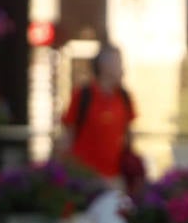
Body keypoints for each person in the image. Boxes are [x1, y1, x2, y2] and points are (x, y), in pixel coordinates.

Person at [58, 43, 136, 189]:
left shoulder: (124, 97)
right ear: (104, 66)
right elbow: (68, 135)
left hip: (114, 178)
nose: (122, 67)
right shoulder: (82, 95)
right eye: (118, 62)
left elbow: (129, 136)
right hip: (84, 178)